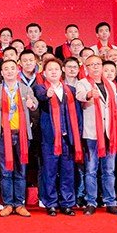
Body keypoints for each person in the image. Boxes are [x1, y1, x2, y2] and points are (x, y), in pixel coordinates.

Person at [76, 55, 117, 215]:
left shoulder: (110, 84)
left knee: (109, 170)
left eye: (98, 64)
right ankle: (91, 202)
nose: (96, 67)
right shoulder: (82, 83)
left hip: (109, 132)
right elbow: (80, 96)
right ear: (86, 67)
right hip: (92, 133)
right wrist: (89, 94)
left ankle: (110, 202)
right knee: (91, 170)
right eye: (92, 65)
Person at [35, 59, 82, 216]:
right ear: (44, 73)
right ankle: (51, 203)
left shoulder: (70, 90)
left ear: (61, 71)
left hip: (68, 137)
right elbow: (41, 96)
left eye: (56, 69)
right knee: (49, 171)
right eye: (50, 69)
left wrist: (77, 133)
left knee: (67, 171)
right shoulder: (40, 88)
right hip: (49, 138)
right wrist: (47, 95)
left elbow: (78, 114)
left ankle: (67, 203)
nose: (53, 72)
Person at [0, 59, 38, 217]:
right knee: (6, 171)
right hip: (3, 135)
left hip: (22, 135)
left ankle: (19, 204)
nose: (9, 71)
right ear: (2, 72)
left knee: (21, 170)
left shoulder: (25, 89)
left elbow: (35, 104)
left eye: (12, 68)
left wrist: (32, 105)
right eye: (6, 69)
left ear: (17, 70)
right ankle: (8, 204)